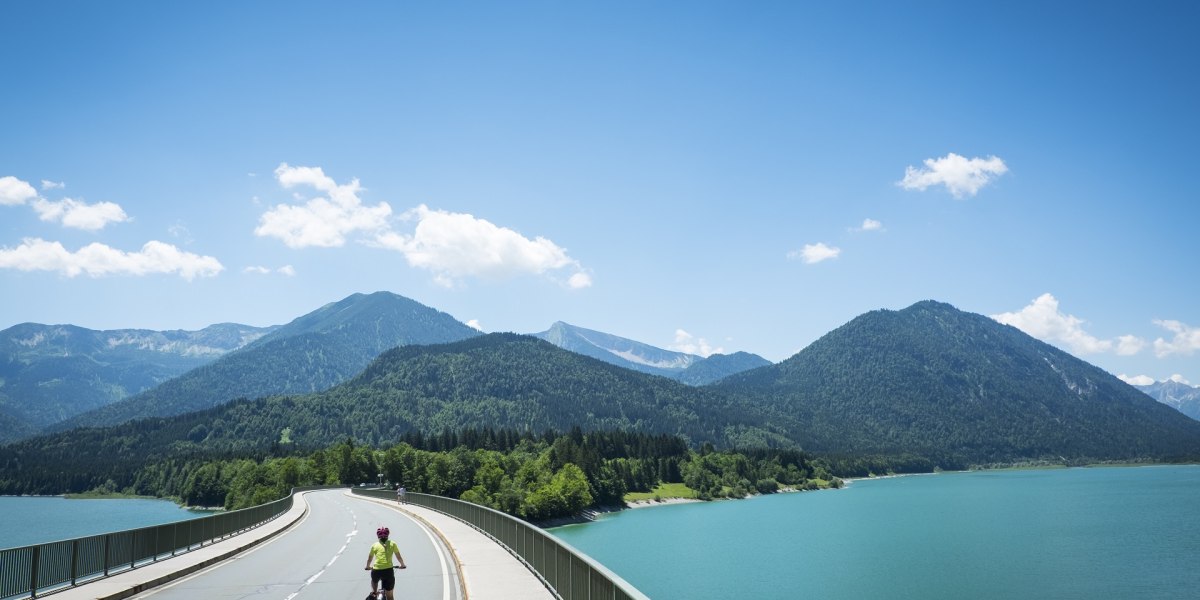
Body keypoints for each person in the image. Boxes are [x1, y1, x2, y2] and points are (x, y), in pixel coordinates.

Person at [365, 526, 406, 600]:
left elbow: (369, 559)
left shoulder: (374, 545)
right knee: (390, 596)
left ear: (378, 536)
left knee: (374, 582)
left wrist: (368, 566)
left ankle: (374, 593)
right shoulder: (393, 544)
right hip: (388, 571)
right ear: (388, 535)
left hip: (376, 571)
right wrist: (402, 565)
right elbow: (399, 557)